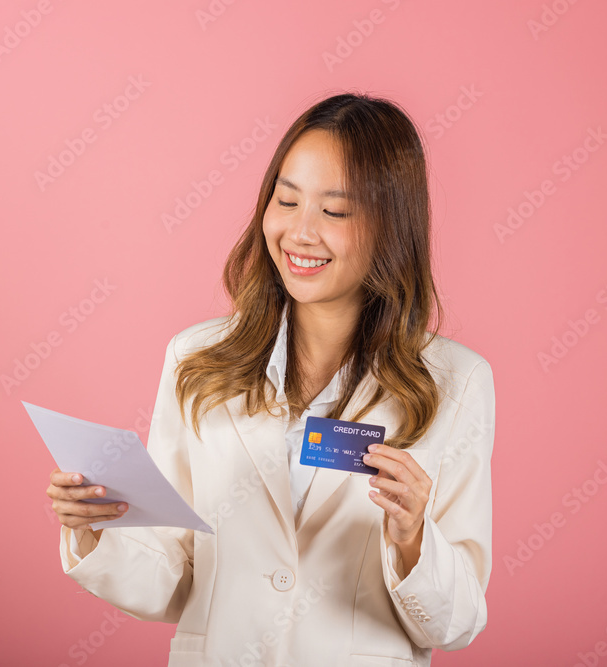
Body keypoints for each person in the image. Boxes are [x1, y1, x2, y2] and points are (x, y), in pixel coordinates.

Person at [46, 91, 496, 667]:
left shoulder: (456, 384)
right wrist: (94, 529)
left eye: (335, 211)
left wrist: (412, 536)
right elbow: (172, 576)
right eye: (287, 201)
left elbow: (457, 622)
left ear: (392, 228)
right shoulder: (197, 360)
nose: (300, 233)